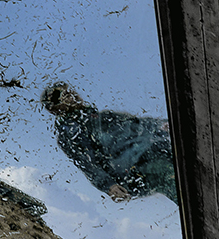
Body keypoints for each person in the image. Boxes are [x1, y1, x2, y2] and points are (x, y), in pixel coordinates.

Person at [40, 82, 178, 203]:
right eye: (62, 96)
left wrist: (164, 124)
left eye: (69, 91)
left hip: (158, 150)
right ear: (54, 109)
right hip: (139, 168)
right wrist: (109, 185)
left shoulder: (104, 117)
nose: (72, 95)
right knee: (174, 178)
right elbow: (87, 163)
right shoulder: (70, 133)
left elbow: (138, 124)